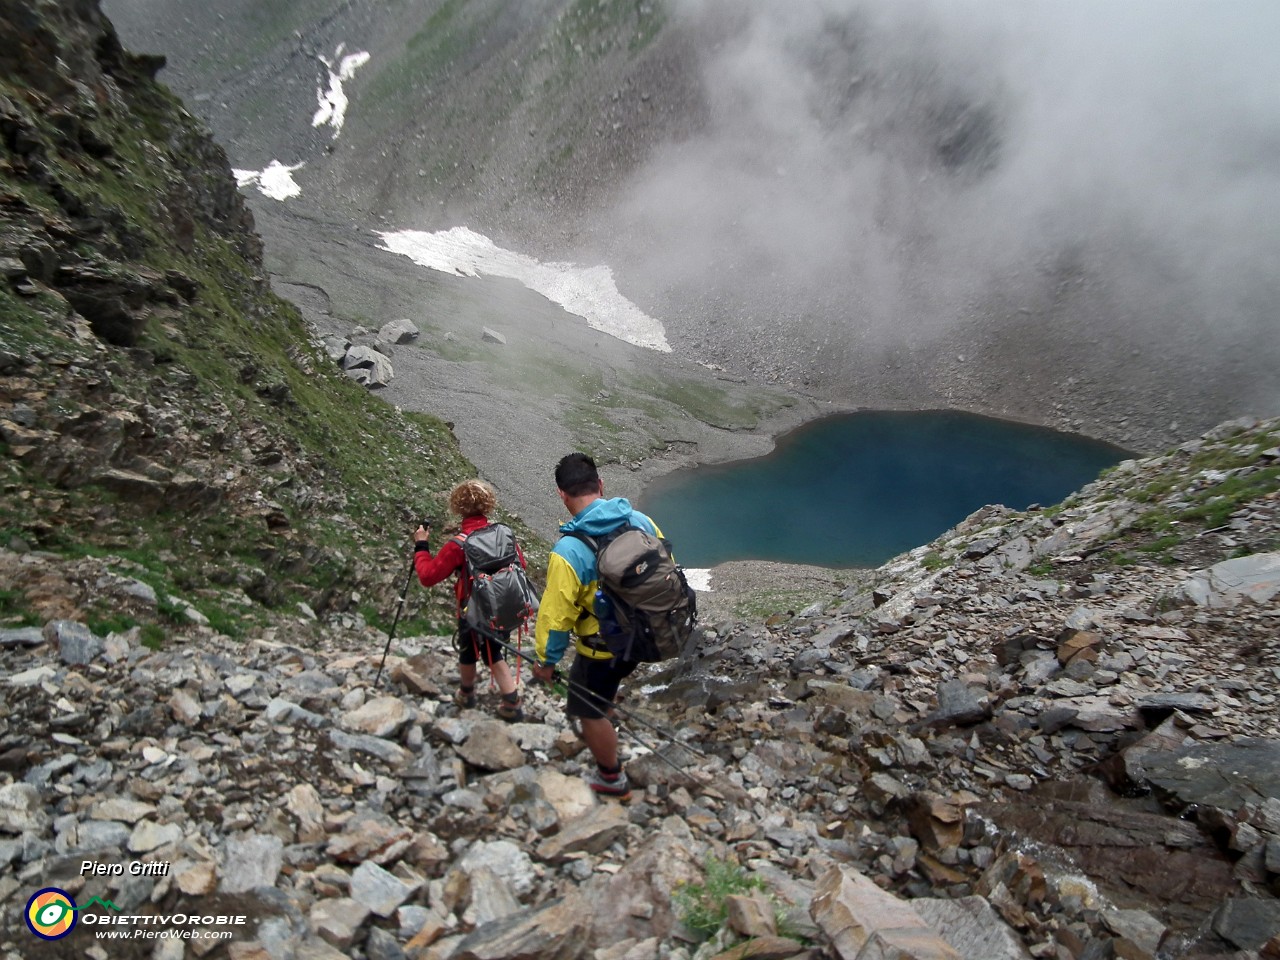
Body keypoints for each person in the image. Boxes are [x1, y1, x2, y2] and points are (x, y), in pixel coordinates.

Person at [531, 452, 667, 799]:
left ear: (562, 495)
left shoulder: (569, 550)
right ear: (601, 485)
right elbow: (667, 571)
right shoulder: (642, 521)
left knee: (585, 709)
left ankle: (611, 777)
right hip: (649, 633)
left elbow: (557, 616)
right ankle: (609, 709)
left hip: (602, 649)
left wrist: (546, 662)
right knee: (609, 686)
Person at [414, 479, 524, 722]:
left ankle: (479, 695)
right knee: (494, 650)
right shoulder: (504, 534)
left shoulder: (458, 545)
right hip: (505, 605)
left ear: (458, 507)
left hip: (472, 609)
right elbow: (521, 566)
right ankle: (506, 700)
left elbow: (428, 576)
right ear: (488, 505)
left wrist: (421, 545)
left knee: (471, 651)